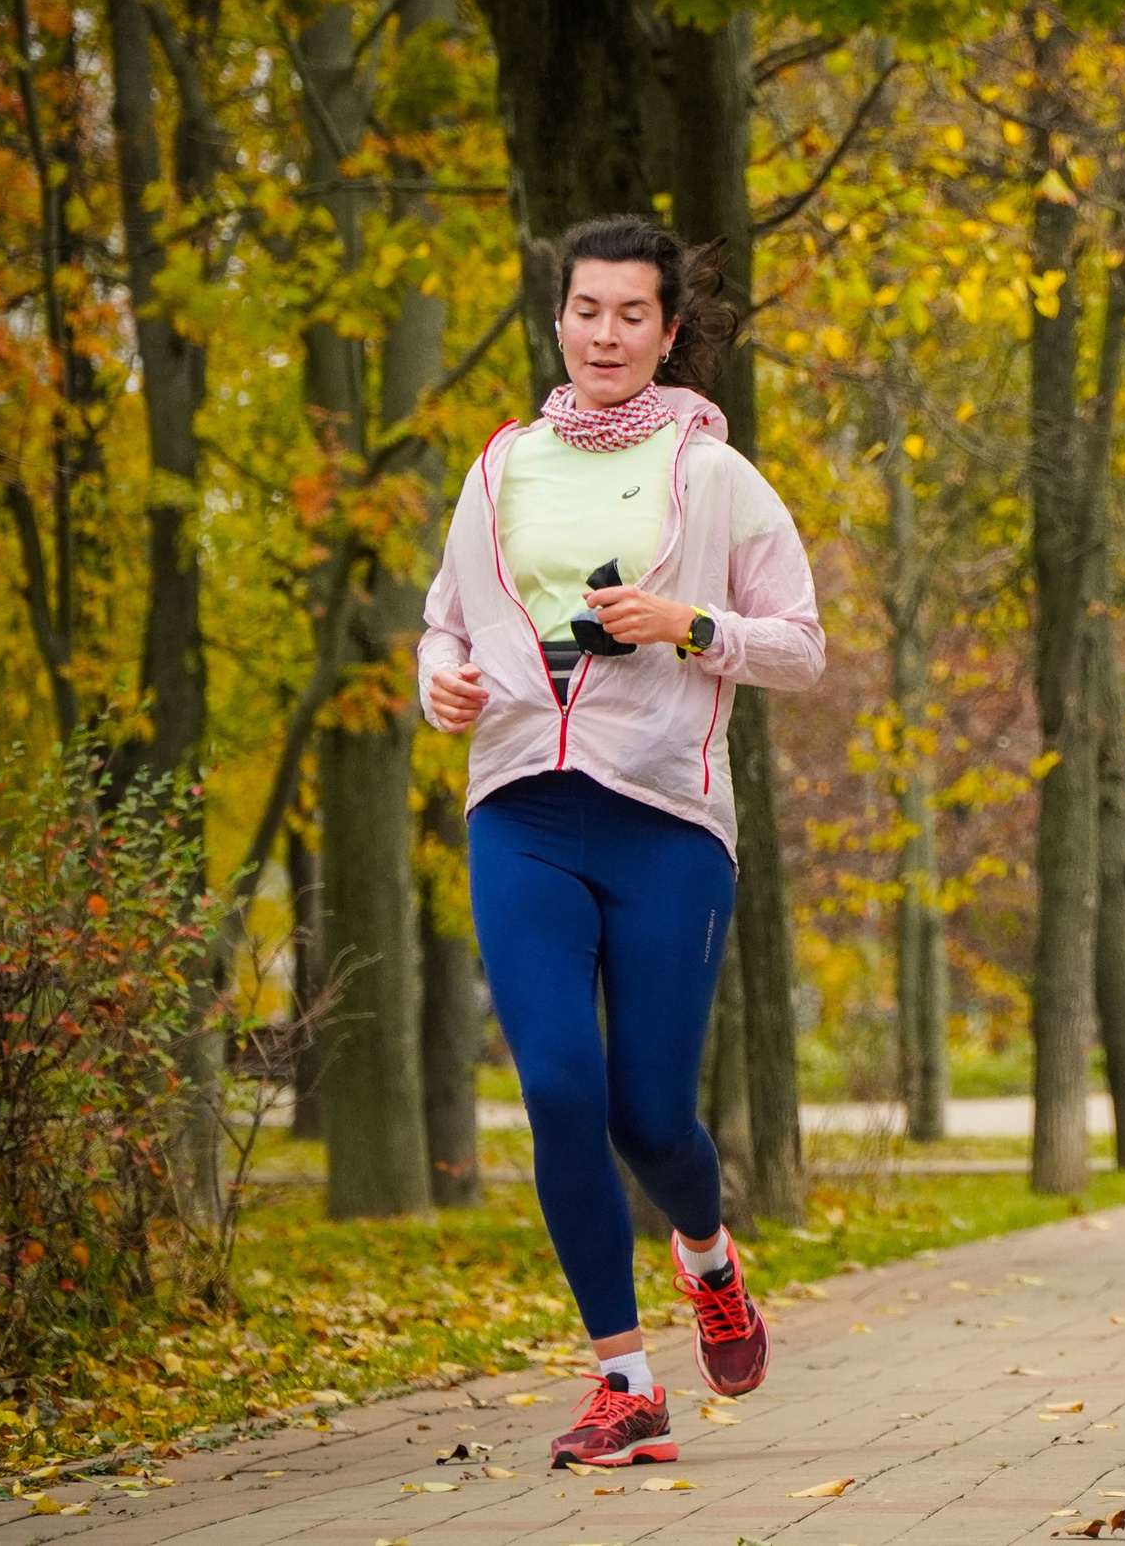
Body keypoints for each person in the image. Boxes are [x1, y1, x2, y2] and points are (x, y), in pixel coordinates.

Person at [417, 215, 826, 1469]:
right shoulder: (502, 468)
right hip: (521, 808)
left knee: (652, 1115)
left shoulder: (715, 476)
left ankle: (708, 1259)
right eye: (585, 310)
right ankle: (625, 1382)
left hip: (664, 817)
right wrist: (442, 683)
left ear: (667, 331)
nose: (605, 334)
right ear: (560, 319)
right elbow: (444, 625)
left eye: (630, 315)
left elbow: (801, 647)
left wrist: (687, 622)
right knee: (556, 1089)